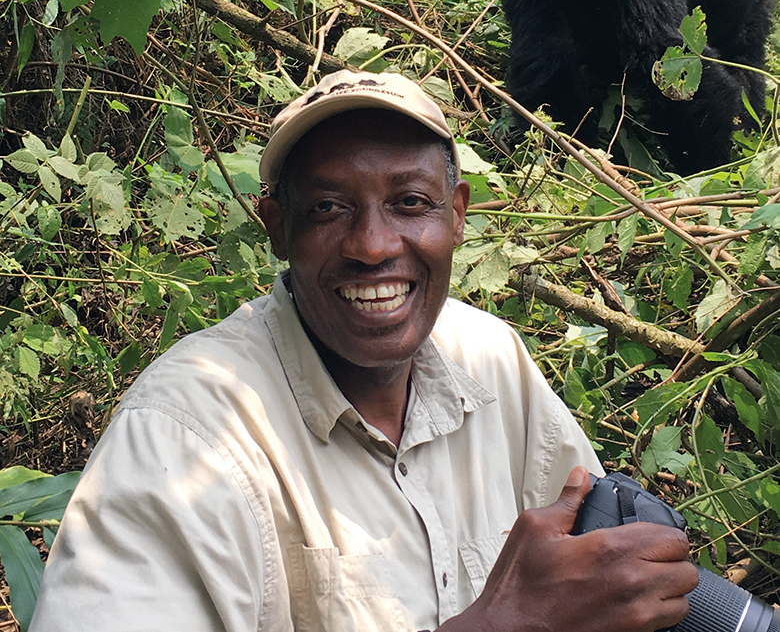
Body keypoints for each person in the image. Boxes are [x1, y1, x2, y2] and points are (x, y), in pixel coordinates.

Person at [29, 70, 698, 632]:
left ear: (457, 214)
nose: (373, 245)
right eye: (326, 207)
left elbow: (598, 574)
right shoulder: (184, 436)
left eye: (409, 201)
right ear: (277, 227)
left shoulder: (492, 362)